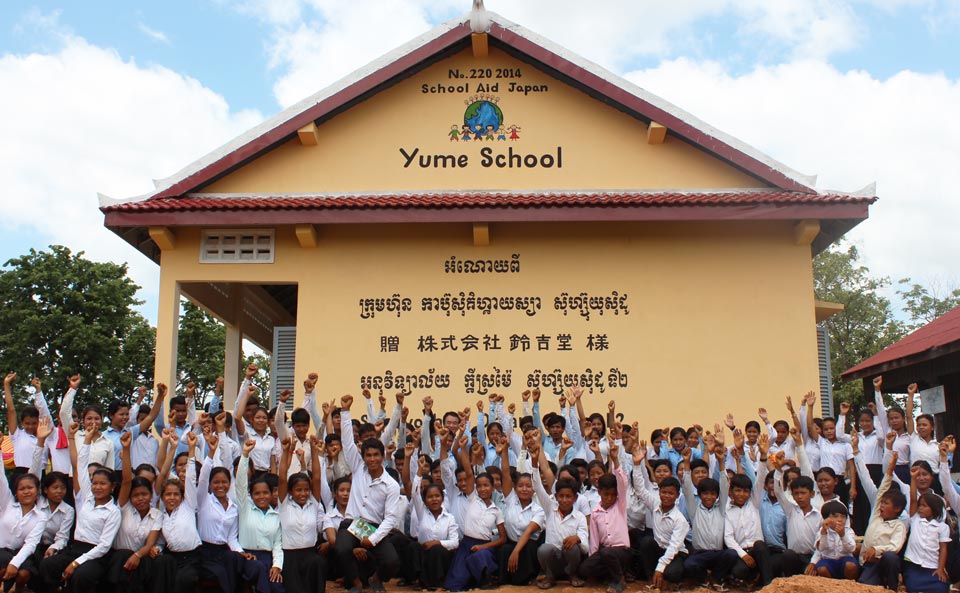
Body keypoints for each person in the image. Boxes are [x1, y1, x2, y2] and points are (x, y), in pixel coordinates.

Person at [37, 422, 121, 593]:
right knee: (48, 564)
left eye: (103, 484)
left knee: (80, 575)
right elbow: (80, 466)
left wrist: (76, 563)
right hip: (74, 548)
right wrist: (87, 440)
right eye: (94, 483)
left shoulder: (114, 512)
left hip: (96, 556)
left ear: (112, 487)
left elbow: (104, 546)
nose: (97, 487)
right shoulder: (86, 499)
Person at [335, 394, 401, 593]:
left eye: (376, 455)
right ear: (363, 457)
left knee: (392, 561)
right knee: (341, 548)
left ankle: (375, 578)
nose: (372, 459)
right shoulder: (358, 468)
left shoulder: (391, 485)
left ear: (382, 456)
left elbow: (390, 519)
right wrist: (345, 412)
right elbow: (347, 442)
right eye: (368, 455)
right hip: (352, 524)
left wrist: (372, 539)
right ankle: (356, 583)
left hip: (373, 528)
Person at [196, 430, 268, 593]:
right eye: (216, 482)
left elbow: (231, 538)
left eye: (224, 482)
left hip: (224, 552)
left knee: (245, 564)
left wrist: (242, 553)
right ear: (210, 485)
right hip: (205, 552)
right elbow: (203, 478)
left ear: (230, 484)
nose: (220, 486)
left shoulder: (233, 508)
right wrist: (211, 452)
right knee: (222, 573)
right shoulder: (204, 500)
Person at [443, 431, 506, 592]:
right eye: (480, 486)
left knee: (480, 557)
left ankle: (485, 579)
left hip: (485, 546)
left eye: (486, 485)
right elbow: (469, 472)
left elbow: (502, 538)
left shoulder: (496, 510)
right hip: (466, 544)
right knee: (456, 584)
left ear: (492, 487)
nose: (483, 489)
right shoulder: (473, 499)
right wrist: (464, 449)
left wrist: (484, 547)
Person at [106, 430, 161, 593]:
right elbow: (126, 480)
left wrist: (137, 556)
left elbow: (150, 544)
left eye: (144, 494)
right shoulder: (125, 507)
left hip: (141, 559)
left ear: (151, 495)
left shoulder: (157, 514)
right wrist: (126, 448)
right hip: (119, 560)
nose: (140, 499)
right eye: (136, 495)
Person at [531, 434, 588, 589]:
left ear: (575, 498)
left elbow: (586, 547)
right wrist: (535, 463)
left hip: (571, 559)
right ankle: (550, 576)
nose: (564, 500)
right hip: (553, 558)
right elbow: (537, 486)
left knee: (573, 548)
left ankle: (572, 575)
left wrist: (577, 538)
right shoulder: (550, 508)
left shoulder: (579, 517)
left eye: (568, 497)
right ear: (555, 496)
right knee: (544, 549)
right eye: (561, 496)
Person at [580, 434, 634, 593]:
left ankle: (619, 580)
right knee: (585, 568)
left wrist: (615, 459)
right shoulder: (595, 512)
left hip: (622, 552)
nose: (610, 498)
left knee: (607, 553)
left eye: (613, 494)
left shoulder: (620, 505)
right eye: (606, 495)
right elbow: (594, 541)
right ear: (599, 492)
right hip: (605, 553)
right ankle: (611, 575)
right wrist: (593, 559)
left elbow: (622, 482)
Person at [277, 434, 327, 593]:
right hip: (290, 557)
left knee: (318, 565)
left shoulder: (313, 503)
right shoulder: (284, 505)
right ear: (290, 491)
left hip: (310, 555)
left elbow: (317, 478)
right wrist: (286, 452)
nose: (303, 493)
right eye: (298, 490)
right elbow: (282, 478)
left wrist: (314, 450)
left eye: (306, 490)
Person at [154, 430, 202, 593]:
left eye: (176, 494)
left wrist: (192, 448)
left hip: (192, 557)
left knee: (184, 580)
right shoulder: (161, 514)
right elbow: (161, 541)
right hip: (173, 556)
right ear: (162, 497)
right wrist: (157, 548)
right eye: (168, 495)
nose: (172, 498)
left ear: (182, 496)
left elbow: (191, 478)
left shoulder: (188, 504)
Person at [0, 434, 48, 592]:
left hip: (21, 553)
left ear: (37, 491)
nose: (26, 491)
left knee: (23, 573)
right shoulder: (7, 503)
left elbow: (31, 544)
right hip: (1, 550)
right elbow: (1, 479)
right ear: (16, 492)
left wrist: (15, 564)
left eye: (30, 488)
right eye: (22, 489)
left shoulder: (41, 516)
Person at [724, 433, 772, 587]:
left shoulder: (754, 502)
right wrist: (743, 555)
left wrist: (763, 456)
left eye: (745, 491)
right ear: (731, 491)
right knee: (738, 572)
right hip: (741, 552)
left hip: (759, 551)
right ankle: (752, 579)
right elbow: (728, 538)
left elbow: (760, 480)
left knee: (760, 546)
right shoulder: (727, 510)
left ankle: (768, 584)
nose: (742, 494)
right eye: (738, 490)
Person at [235, 438, 284, 593]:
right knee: (259, 570)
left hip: (268, 559)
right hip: (248, 558)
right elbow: (240, 483)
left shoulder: (276, 516)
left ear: (271, 494)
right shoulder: (245, 508)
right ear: (251, 495)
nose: (261, 496)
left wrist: (277, 566)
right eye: (257, 493)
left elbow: (277, 545)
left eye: (265, 493)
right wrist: (245, 454)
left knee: (276, 585)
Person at [681, 447, 734, 589]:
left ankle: (716, 578)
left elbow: (724, 485)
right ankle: (703, 580)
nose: (709, 497)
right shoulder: (694, 510)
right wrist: (686, 463)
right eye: (705, 494)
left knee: (731, 554)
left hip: (718, 553)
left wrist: (721, 461)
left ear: (717, 496)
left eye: (712, 494)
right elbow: (687, 487)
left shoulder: (721, 508)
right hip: (700, 553)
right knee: (689, 564)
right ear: (700, 495)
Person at [407, 453, 459, 590]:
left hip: (441, 557)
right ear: (425, 500)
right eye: (430, 497)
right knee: (413, 547)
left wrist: (437, 543)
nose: (434, 499)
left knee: (436, 550)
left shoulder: (449, 518)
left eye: (437, 496)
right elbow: (415, 493)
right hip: (424, 553)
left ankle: (436, 582)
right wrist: (419, 471)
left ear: (442, 498)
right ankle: (419, 580)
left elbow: (455, 542)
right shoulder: (422, 512)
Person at [857, 450, 907, 590]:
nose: (881, 505)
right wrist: (889, 471)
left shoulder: (899, 526)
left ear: (897, 508)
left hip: (883, 563)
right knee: (865, 585)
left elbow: (895, 547)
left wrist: (876, 549)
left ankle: (892, 587)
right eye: (882, 503)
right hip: (868, 564)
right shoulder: (877, 517)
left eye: (886, 503)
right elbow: (881, 492)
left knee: (891, 557)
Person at [498, 436, 543, 587]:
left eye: (528, 486)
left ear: (534, 489)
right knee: (504, 549)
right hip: (512, 542)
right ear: (515, 488)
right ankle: (505, 581)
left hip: (528, 545)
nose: (524, 489)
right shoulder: (511, 499)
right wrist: (505, 450)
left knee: (528, 548)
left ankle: (529, 579)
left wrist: (516, 552)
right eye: (521, 486)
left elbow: (528, 532)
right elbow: (505, 473)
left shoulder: (538, 510)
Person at [903, 466, 950, 593]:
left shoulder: (942, 527)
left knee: (941, 587)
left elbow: (943, 548)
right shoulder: (915, 519)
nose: (920, 508)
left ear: (933, 509)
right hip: (914, 564)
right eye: (920, 506)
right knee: (912, 587)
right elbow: (913, 499)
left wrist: (940, 568)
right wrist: (913, 479)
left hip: (932, 565)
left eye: (924, 506)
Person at [3, 372, 43, 473]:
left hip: (40, 474)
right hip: (21, 474)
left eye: (34, 423)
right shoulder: (17, 436)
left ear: (38, 422)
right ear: (22, 423)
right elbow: (11, 410)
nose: (30, 426)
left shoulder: (44, 438)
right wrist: (6, 384)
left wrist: (38, 389)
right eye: (27, 423)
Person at [812, 501, 858, 579]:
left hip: (845, 560)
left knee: (851, 565)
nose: (840, 519)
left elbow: (852, 548)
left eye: (843, 517)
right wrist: (824, 533)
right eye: (835, 516)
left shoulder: (848, 531)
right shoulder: (822, 531)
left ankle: (849, 584)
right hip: (828, 560)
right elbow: (821, 548)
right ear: (826, 518)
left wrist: (842, 536)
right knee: (822, 568)